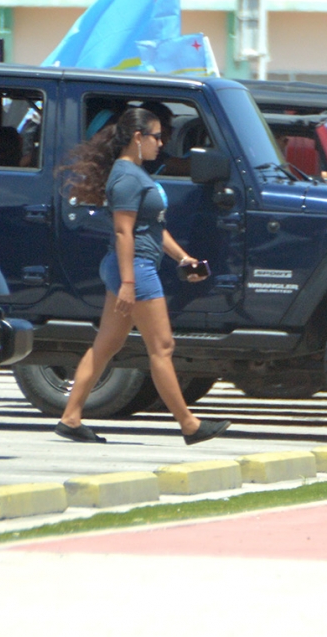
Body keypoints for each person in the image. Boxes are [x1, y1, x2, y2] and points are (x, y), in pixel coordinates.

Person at [54, 107, 229, 445]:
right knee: (162, 347)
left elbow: (151, 228)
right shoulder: (127, 178)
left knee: (107, 345)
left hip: (132, 267)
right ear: (137, 137)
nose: (161, 144)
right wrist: (129, 284)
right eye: (156, 136)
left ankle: (71, 417)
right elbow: (123, 233)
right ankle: (190, 425)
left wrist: (183, 258)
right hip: (134, 268)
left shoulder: (134, 174)